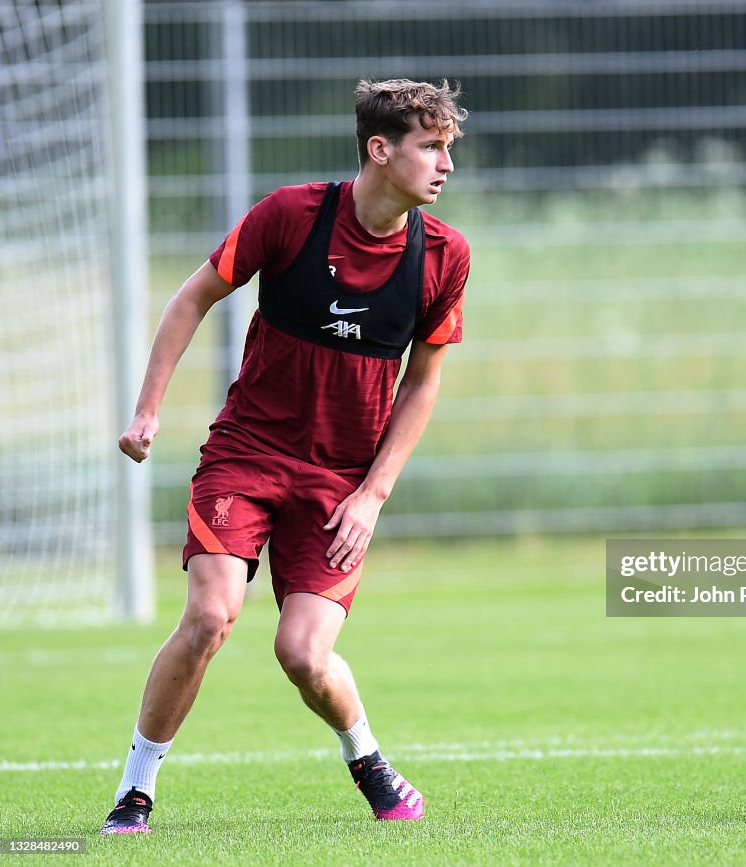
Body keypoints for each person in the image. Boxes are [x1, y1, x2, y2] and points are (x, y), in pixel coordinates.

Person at [100, 79, 469, 834]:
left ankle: (369, 761)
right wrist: (147, 409)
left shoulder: (445, 256)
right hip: (248, 455)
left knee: (302, 653)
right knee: (209, 616)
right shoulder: (293, 216)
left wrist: (371, 496)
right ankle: (135, 791)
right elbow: (191, 298)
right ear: (380, 149)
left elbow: (422, 384)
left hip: (340, 480)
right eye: (431, 147)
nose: (445, 165)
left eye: (447, 150)